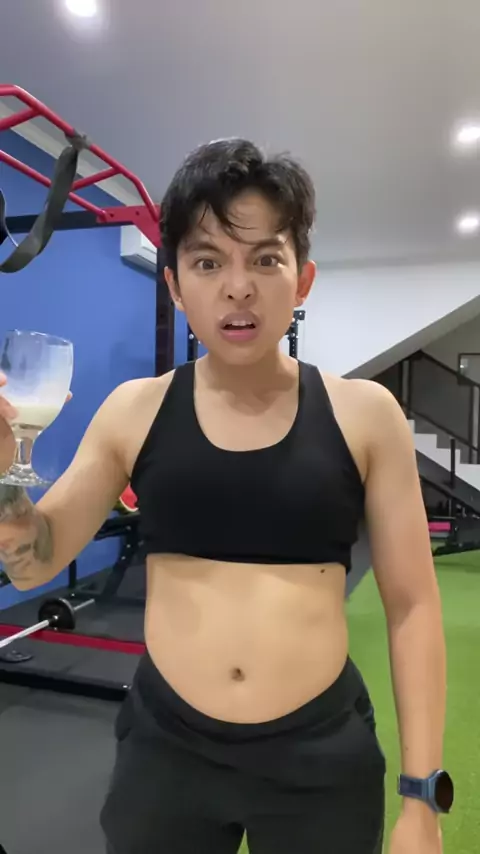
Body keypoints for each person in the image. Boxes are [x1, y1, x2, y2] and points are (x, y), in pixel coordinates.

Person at [0, 139, 450, 854]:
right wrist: (5, 480)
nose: (238, 288)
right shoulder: (132, 411)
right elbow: (35, 561)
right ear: (176, 286)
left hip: (318, 757)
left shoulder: (366, 415)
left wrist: (422, 798)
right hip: (167, 752)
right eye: (209, 262)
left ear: (301, 282)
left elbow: (414, 606)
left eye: (265, 260)